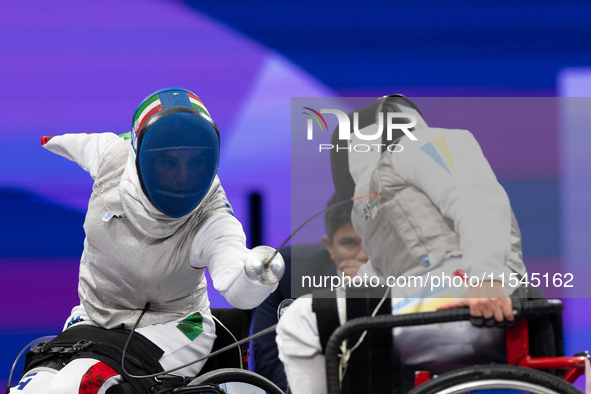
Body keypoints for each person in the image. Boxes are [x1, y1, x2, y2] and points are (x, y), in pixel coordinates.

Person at [10, 87, 282, 394]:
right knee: (34, 388)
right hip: (94, 317)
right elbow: (81, 144)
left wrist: (256, 276)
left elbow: (234, 281)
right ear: (141, 156)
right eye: (169, 163)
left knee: (79, 383)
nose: (183, 176)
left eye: (195, 163)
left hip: (177, 327)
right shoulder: (113, 159)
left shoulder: (211, 218)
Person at [276, 95, 527, 394]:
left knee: (300, 322)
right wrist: (341, 296)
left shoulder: (422, 144)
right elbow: (388, 274)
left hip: (466, 301)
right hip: (438, 305)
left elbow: (477, 197)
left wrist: (486, 277)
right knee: (314, 316)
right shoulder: (378, 203)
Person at [253, 195, 368, 391]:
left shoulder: (413, 273)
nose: (363, 255)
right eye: (349, 243)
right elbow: (269, 363)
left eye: (370, 241)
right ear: (330, 246)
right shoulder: (283, 273)